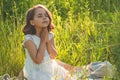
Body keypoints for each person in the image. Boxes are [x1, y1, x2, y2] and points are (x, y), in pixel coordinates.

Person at [20, 4, 79, 80]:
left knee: (68, 77)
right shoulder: (29, 39)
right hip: (36, 71)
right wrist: (43, 40)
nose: (44, 17)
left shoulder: (50, 35)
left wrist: (47, 40)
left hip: (50, 67)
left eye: (46, 15)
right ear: (32, 22)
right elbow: (38, 60)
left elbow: (53, 55)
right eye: (40, 16)